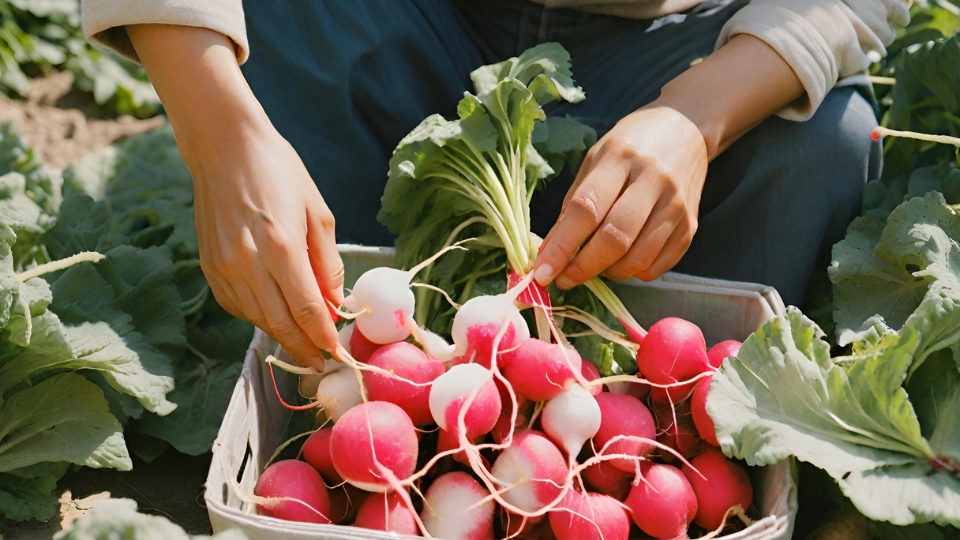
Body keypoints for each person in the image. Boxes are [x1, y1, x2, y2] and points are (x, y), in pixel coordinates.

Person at [81, 0, 906, 367]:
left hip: (678, 44)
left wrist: (698, 117)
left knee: (824, 140)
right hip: (393, 21)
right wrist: (222, 135)